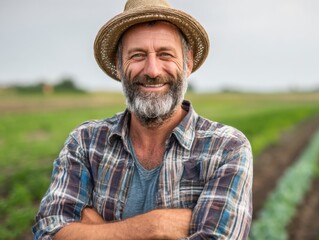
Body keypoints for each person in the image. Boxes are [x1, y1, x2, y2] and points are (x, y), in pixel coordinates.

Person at [32, 0, 253, 239]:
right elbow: (48, 231)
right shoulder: (86, 143)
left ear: (187, 62)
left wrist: (94, 228)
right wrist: (155, 226)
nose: (152, 70)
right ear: (118, 65)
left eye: (165, 54)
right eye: (137, 55)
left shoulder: (226, 148)